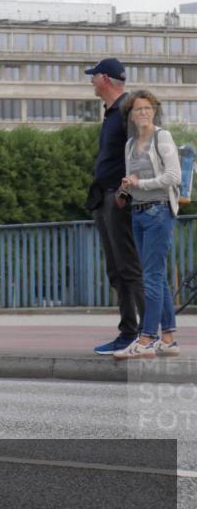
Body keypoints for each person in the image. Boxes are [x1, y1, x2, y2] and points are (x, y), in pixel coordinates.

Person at [114, 91, 182, 360]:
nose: (142, 113)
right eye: (138, 109)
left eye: (147, 108)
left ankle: (146, 339)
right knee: (156, 275)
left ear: (154, 111)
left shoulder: (161, 137)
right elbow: (133, 177)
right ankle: (167, 338)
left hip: (159, 212)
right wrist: (126, 187)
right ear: (131, 114)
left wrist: (140, 184)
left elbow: (173, 176)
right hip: (138, 213)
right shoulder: (130, 144)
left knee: (151, 277)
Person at [84, 58, 144, 356]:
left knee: (128, 268)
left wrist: (123, 193)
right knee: (116, 271)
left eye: (93, 77)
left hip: (118, 199)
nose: (91, 81)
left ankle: (144, 335)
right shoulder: (110, 113)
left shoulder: (126, 110)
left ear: (104, 78)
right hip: (104, 198)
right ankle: (130, 332)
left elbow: (141, 155)